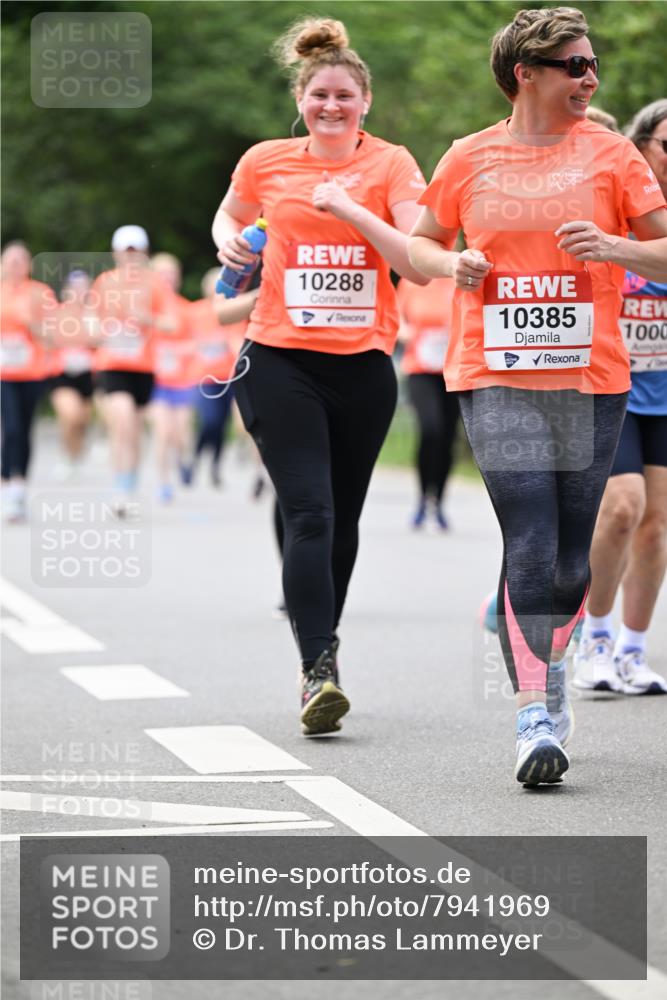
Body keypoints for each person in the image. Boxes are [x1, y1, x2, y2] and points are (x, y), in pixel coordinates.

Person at [408, 6, 667, 786]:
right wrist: (449, 265)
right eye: (574, 65)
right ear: (526, 73)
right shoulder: (468, 155)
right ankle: (532, 714)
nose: (590, 78)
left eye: (592, 66)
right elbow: (421, 243)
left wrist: (617, 247)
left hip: (589, 377)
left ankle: (553, 687)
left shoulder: (612, 153)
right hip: (494, 369)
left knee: (564, 554)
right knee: (526, 530)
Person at [212, 17, 428, 735]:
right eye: (318, 96)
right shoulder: (267, 160)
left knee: (343, 520)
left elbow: (415, 254)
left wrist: (350, 208)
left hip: (362, 366)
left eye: (343, 95)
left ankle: (319, 649)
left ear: (364, 101)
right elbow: (228, 218)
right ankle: (318, 671)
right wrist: (238, 246)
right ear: (301, 99)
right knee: (309, 512)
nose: (330, 106)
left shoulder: (393, 165)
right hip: (275, 356)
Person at [574, 99, 667, 695]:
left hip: (664, 386)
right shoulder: (613, 201)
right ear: (642, 146)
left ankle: (633, 651)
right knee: (621, 508)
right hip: (610, 383)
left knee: (657, 528)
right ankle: (594, 639)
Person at [92, 226, 174, 513]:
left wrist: (146, 318)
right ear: (115, 254)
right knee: (122, 420)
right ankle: (119, 488)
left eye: (135, 252)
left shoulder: (155, 285)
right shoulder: (104, 282)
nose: (131, 258)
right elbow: (92, 320)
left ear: (144, 254)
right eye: (125, 252)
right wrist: (98, 330)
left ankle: (129, 481)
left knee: (134, 429)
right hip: (112, 365)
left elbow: (172, 324)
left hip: (143, 367)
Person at [1, 241, 57, 522]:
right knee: (10, 427)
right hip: (3, 375)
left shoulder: (41, 293)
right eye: (10, 260)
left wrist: (31, 323)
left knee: (23, 429)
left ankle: (19, 486)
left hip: (32, 373)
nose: (15, 265)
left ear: (29, 266)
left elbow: (53, 336)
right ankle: (8, 481)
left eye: (20, 260)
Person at [397, 276, 459, 529]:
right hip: (420, 368)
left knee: (447, 436)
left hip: (452, 370)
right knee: (430, 429)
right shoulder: (412, 279)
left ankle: (439, 501)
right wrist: (405, 332)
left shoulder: (458, 275)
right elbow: (396, 314)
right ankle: (423, 496)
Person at [187, 268, 256, 488]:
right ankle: (196, 456)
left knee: (228, 424)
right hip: (205, 377)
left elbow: (240, 343)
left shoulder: (235, 311)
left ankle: (216, 465)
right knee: (210, 422)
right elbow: (183, 340)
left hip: (232, 377)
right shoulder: (195, 312)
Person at [148, 253, 196, 503]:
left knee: (181, 432)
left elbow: (196, 344)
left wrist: (176, 350)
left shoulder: (185, 308)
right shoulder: (145, 309)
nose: (166, 279)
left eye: (171, 274)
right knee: (163, 431)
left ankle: (183, 459)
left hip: (181, 380)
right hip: (156, 382)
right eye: (161, 274)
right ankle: (163, 482)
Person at [48, 269, 97, 481]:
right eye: (75, 287)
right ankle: (67, 456)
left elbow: (100, 340)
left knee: (81, 421)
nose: (79, 292)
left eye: (83, 287)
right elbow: (49, 340)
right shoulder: (56, 313)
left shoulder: (94, 314)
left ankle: (76, 455)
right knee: (71, 415)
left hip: (88, 374)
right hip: (62, 372)